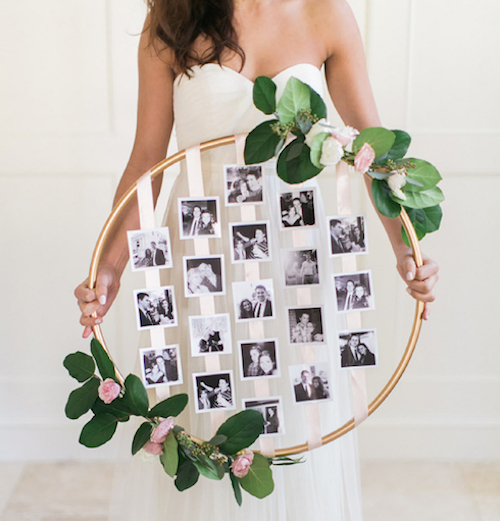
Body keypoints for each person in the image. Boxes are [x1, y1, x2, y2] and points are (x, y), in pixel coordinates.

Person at [74, 0, 439, 517]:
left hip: (298, 261)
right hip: (202, 261)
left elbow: (373, 155)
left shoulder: (326, 14)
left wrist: (409, 253)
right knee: (208, 414)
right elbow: (147, 162)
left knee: (296, 412)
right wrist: (107, 268)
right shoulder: (171, 20)